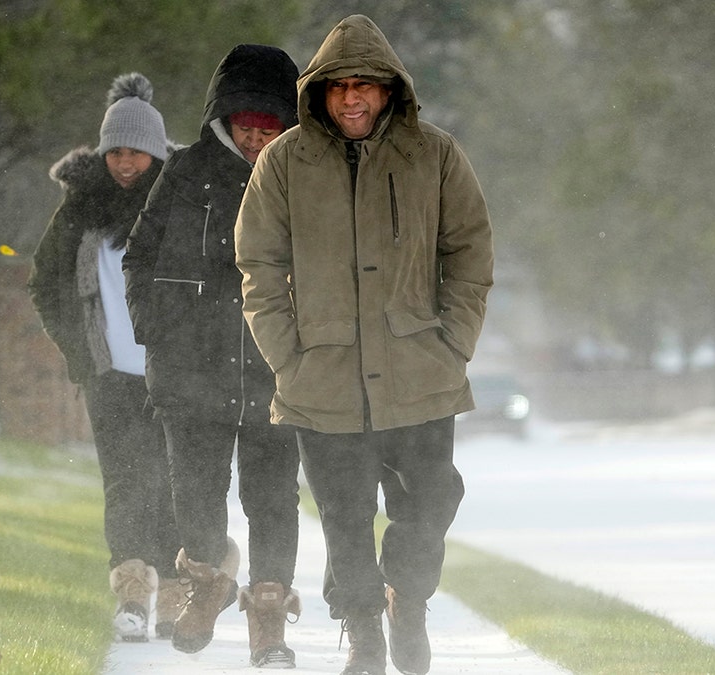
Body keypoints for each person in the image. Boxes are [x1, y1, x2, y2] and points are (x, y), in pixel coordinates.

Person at [234, 15, 494, 675]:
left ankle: (406, 594)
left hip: (419, 370)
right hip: (322, 374)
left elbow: (469, 252)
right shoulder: (284, 161)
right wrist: (286, 354)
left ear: (390, 91)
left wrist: (452, 343)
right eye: (339, 85)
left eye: (366, 85)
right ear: (319, 91)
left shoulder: (435, 154)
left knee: (433, 497)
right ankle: (364, 632)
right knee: (346, 515)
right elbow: (257, 265)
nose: (352, 98)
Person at [122, 44, 303, 667]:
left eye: (269, 127)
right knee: (195, 495)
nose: (256, 139)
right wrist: (154, 330)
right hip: (188, 370)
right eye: (247, 126)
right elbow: (139, 255)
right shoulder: (184, 170)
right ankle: (208, 583)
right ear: (225, 120)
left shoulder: (305, 175)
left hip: (276, 372)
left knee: (273, 500)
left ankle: (270, 617)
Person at [28, 72, 182, 643]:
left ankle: (177, 592)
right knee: (123, 482)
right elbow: (45, 284)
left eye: (137, 153)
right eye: (115, 151)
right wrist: (78, 350)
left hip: (174, 373)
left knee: (172, 483)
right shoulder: (79, 211)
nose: (124, 163)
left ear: (157, 154)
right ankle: (133, 596)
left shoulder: (182, 206)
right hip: (109, 374)